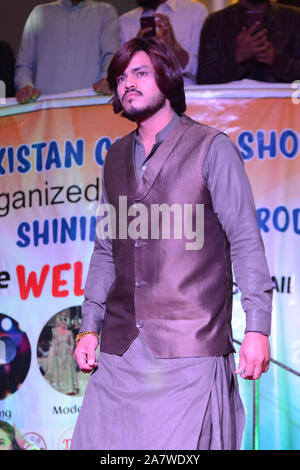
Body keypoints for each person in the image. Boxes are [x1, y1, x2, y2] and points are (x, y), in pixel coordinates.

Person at [71, 37, 272, 450]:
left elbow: (245, 240)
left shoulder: (212, 148)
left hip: (190, 349)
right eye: (121, 78)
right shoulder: (114, 158)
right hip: (120, 350)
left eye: (140, 73)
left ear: (166, 77)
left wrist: (258, 327)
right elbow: (105, 251)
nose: (128, 84)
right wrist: (88, 327)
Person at [14, 0, 120, 104]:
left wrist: (107, 79)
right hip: (45, 108)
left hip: (91, 105)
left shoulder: (105, 12)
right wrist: (25, 86)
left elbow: (112, 55)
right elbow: (23, 64)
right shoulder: (39, 13)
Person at [197, 0, 300, 84]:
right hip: (231, 105)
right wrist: (238, 56)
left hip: (285, 106)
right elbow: (204, 78)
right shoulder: (215, 22)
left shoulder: (294, 18)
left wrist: (277, 60)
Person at [120, 0, 208, 84]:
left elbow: (205, 71)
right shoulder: (125, 21)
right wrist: (136, 48)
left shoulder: (195, 12)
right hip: (139, 96)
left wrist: (174, 48)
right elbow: (120, 74)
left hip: (187, 96)